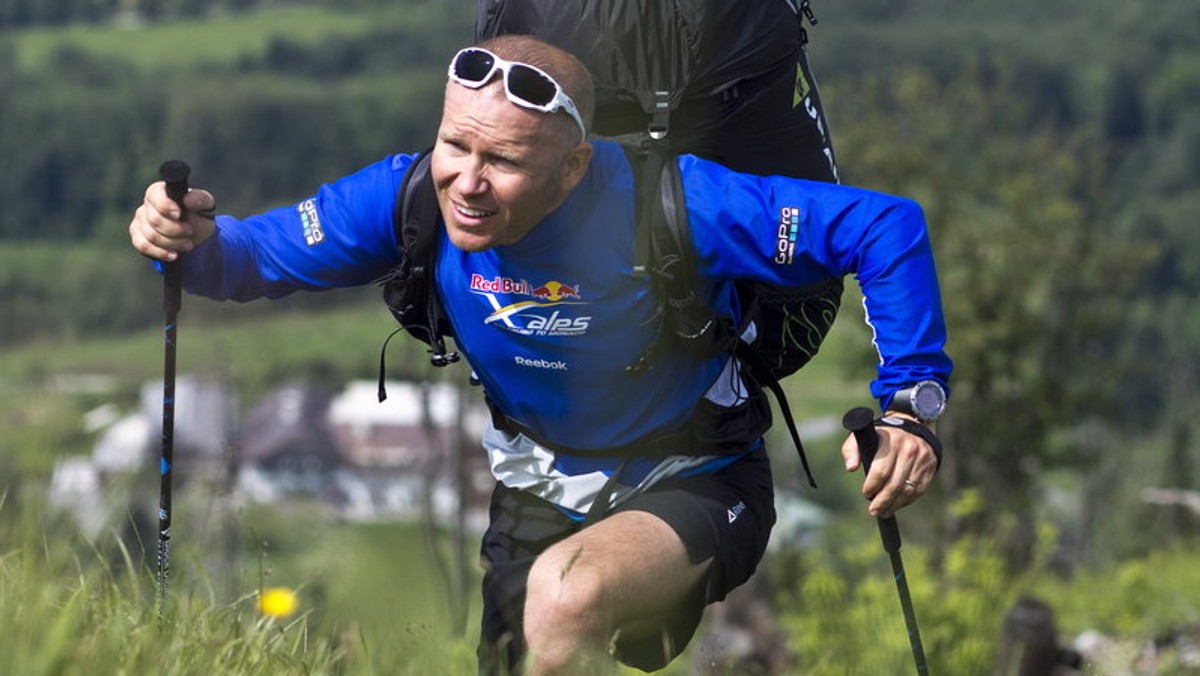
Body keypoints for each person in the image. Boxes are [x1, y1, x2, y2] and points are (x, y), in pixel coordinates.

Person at [130, 35, 951, 676]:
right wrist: (184, 237)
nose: (467, 182)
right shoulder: (406, 196)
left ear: (575, 166)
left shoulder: (681, 203)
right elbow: (246, 258)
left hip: (696, 477)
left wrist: (911, 403)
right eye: (457, 144)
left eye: (506, 161)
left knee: (566, 601)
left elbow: (884, 227)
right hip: (535, 489)